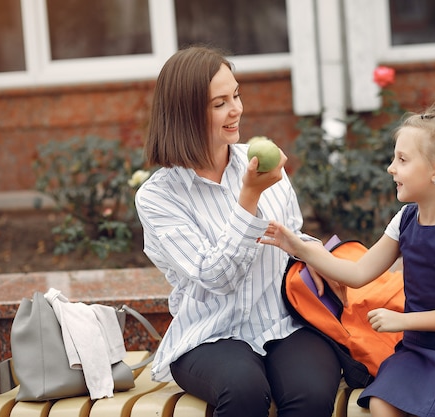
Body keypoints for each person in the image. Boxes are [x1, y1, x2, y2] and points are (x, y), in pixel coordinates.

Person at [261, 105, 435, 417]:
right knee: (381, 403)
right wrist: (300, 248)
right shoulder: (406, 219)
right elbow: (358, 273)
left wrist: (403, 321)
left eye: (402, 160)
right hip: (419, 350)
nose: (391, 168)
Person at [134, 45, 342, 417]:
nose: (236, 110)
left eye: (236, 95)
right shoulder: (158, 196)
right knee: (244, 391)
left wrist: (315, 257)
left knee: (311, 394)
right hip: (209, 333)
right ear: (186, 113)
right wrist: (249, 197)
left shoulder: (262, 161)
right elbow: (216, 277)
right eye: (219, 103)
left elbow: (290, 234)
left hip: (281, 320)